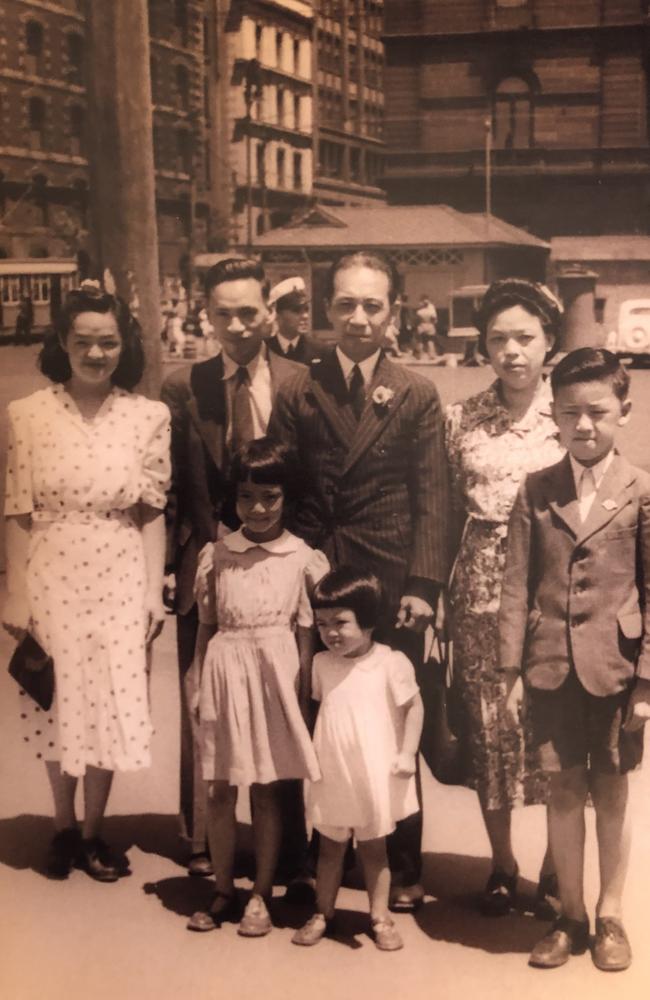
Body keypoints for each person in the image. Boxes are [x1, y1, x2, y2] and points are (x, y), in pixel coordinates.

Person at [269, 250, 448, 911]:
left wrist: (424, 585)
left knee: (391, 721)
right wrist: (289, 570)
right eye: (345, 303)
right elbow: (282, 488)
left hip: (387, 579)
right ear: (327, 309)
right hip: (318, 573)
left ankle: (400, 867)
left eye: (373, 305)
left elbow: (433, 494)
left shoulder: (415, 393)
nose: (359, 318)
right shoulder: (298, 390)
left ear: (393, 312)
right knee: (316, 716)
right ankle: (314, 860)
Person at [2, 280, 170, 881]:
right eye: (83, 343)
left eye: (108, 343)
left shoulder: (149, 416)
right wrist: (16, 591)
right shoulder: (26, 415)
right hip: (53, 566)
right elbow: (17, 508)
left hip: (120, 567)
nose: (96, 355)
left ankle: (96, 831)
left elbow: (151, 510)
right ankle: (62, 827)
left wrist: (153, 591)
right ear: (63, 345)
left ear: (124, 345)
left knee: (109, 697)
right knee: (58, 695)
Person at [499, 348, 650, 972]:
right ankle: (571, 915)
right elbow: (514, 586)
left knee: (610, 792)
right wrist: (509, 672)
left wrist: (646, 682)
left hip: (616, 671)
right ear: (552, 416)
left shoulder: (642, 489)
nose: (583, 425)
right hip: (550, 668)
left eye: (596, 411)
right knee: (562, 788)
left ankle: (611, 912)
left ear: (624, 411)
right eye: (568, 413)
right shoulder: (536, 489)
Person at [161, 258, 305, 879]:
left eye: (250, 312)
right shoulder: (183, 385)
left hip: (278, 564)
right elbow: (171, 482)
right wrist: (177, 560)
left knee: (286, 699)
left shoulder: (301, 379)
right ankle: (202, 837)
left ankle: (291, 849)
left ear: (269, 313)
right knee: (202, 700)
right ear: (208, 316)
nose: (239, 326)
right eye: (224, 314)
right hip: (208, 561)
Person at [445, 279, 564, 919]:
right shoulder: (462, 417)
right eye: (498, 339)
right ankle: (502, 863)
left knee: (548, 725)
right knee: (490, 729)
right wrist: (437, 595)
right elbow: (443, 514)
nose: (512, 351)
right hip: (481, 593)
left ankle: (554, 867)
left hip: (550, 587)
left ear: (549, 342)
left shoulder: (570, 417)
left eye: (525, 338)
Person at [186, 438, 328, 937]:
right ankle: (224, 888)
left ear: (288, 497)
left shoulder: (302, 558)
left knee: (268, 791)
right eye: (247, 497)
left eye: (270, 496)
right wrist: (197, 681)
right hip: (225, 671)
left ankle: (261, 894)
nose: (259, 508)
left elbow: (307, 635)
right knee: (219, 789)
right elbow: (205, 626)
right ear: (234, 499)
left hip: (276, 676)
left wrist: (307, 693)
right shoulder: (218, 555)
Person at [293, 567, 424, 951]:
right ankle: (323, 912)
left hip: (373, 773)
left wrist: (407, 753)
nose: (330, 632)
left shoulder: (390, 662)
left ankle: (380, 917)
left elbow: (414, 707)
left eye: (341, 622)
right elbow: (322, 712)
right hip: (333, 772)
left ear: (368, 621)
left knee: (374, 849)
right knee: (329, 847)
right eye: (322, 624)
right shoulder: (320, 664)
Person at [267, 276, 320, 364]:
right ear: (277, 314)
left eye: (306, 309)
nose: (305, 316)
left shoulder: (321, 351)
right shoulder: (263, 351)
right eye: (296, 310)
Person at [415, 295, 438, 360]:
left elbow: (416, 320)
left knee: (420, 341)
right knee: (430, 341)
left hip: (421, 325)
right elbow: (434, 319)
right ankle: (432, 355)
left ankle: (419, 355)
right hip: (430, 325)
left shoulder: (419, 312)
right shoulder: (431, 310)